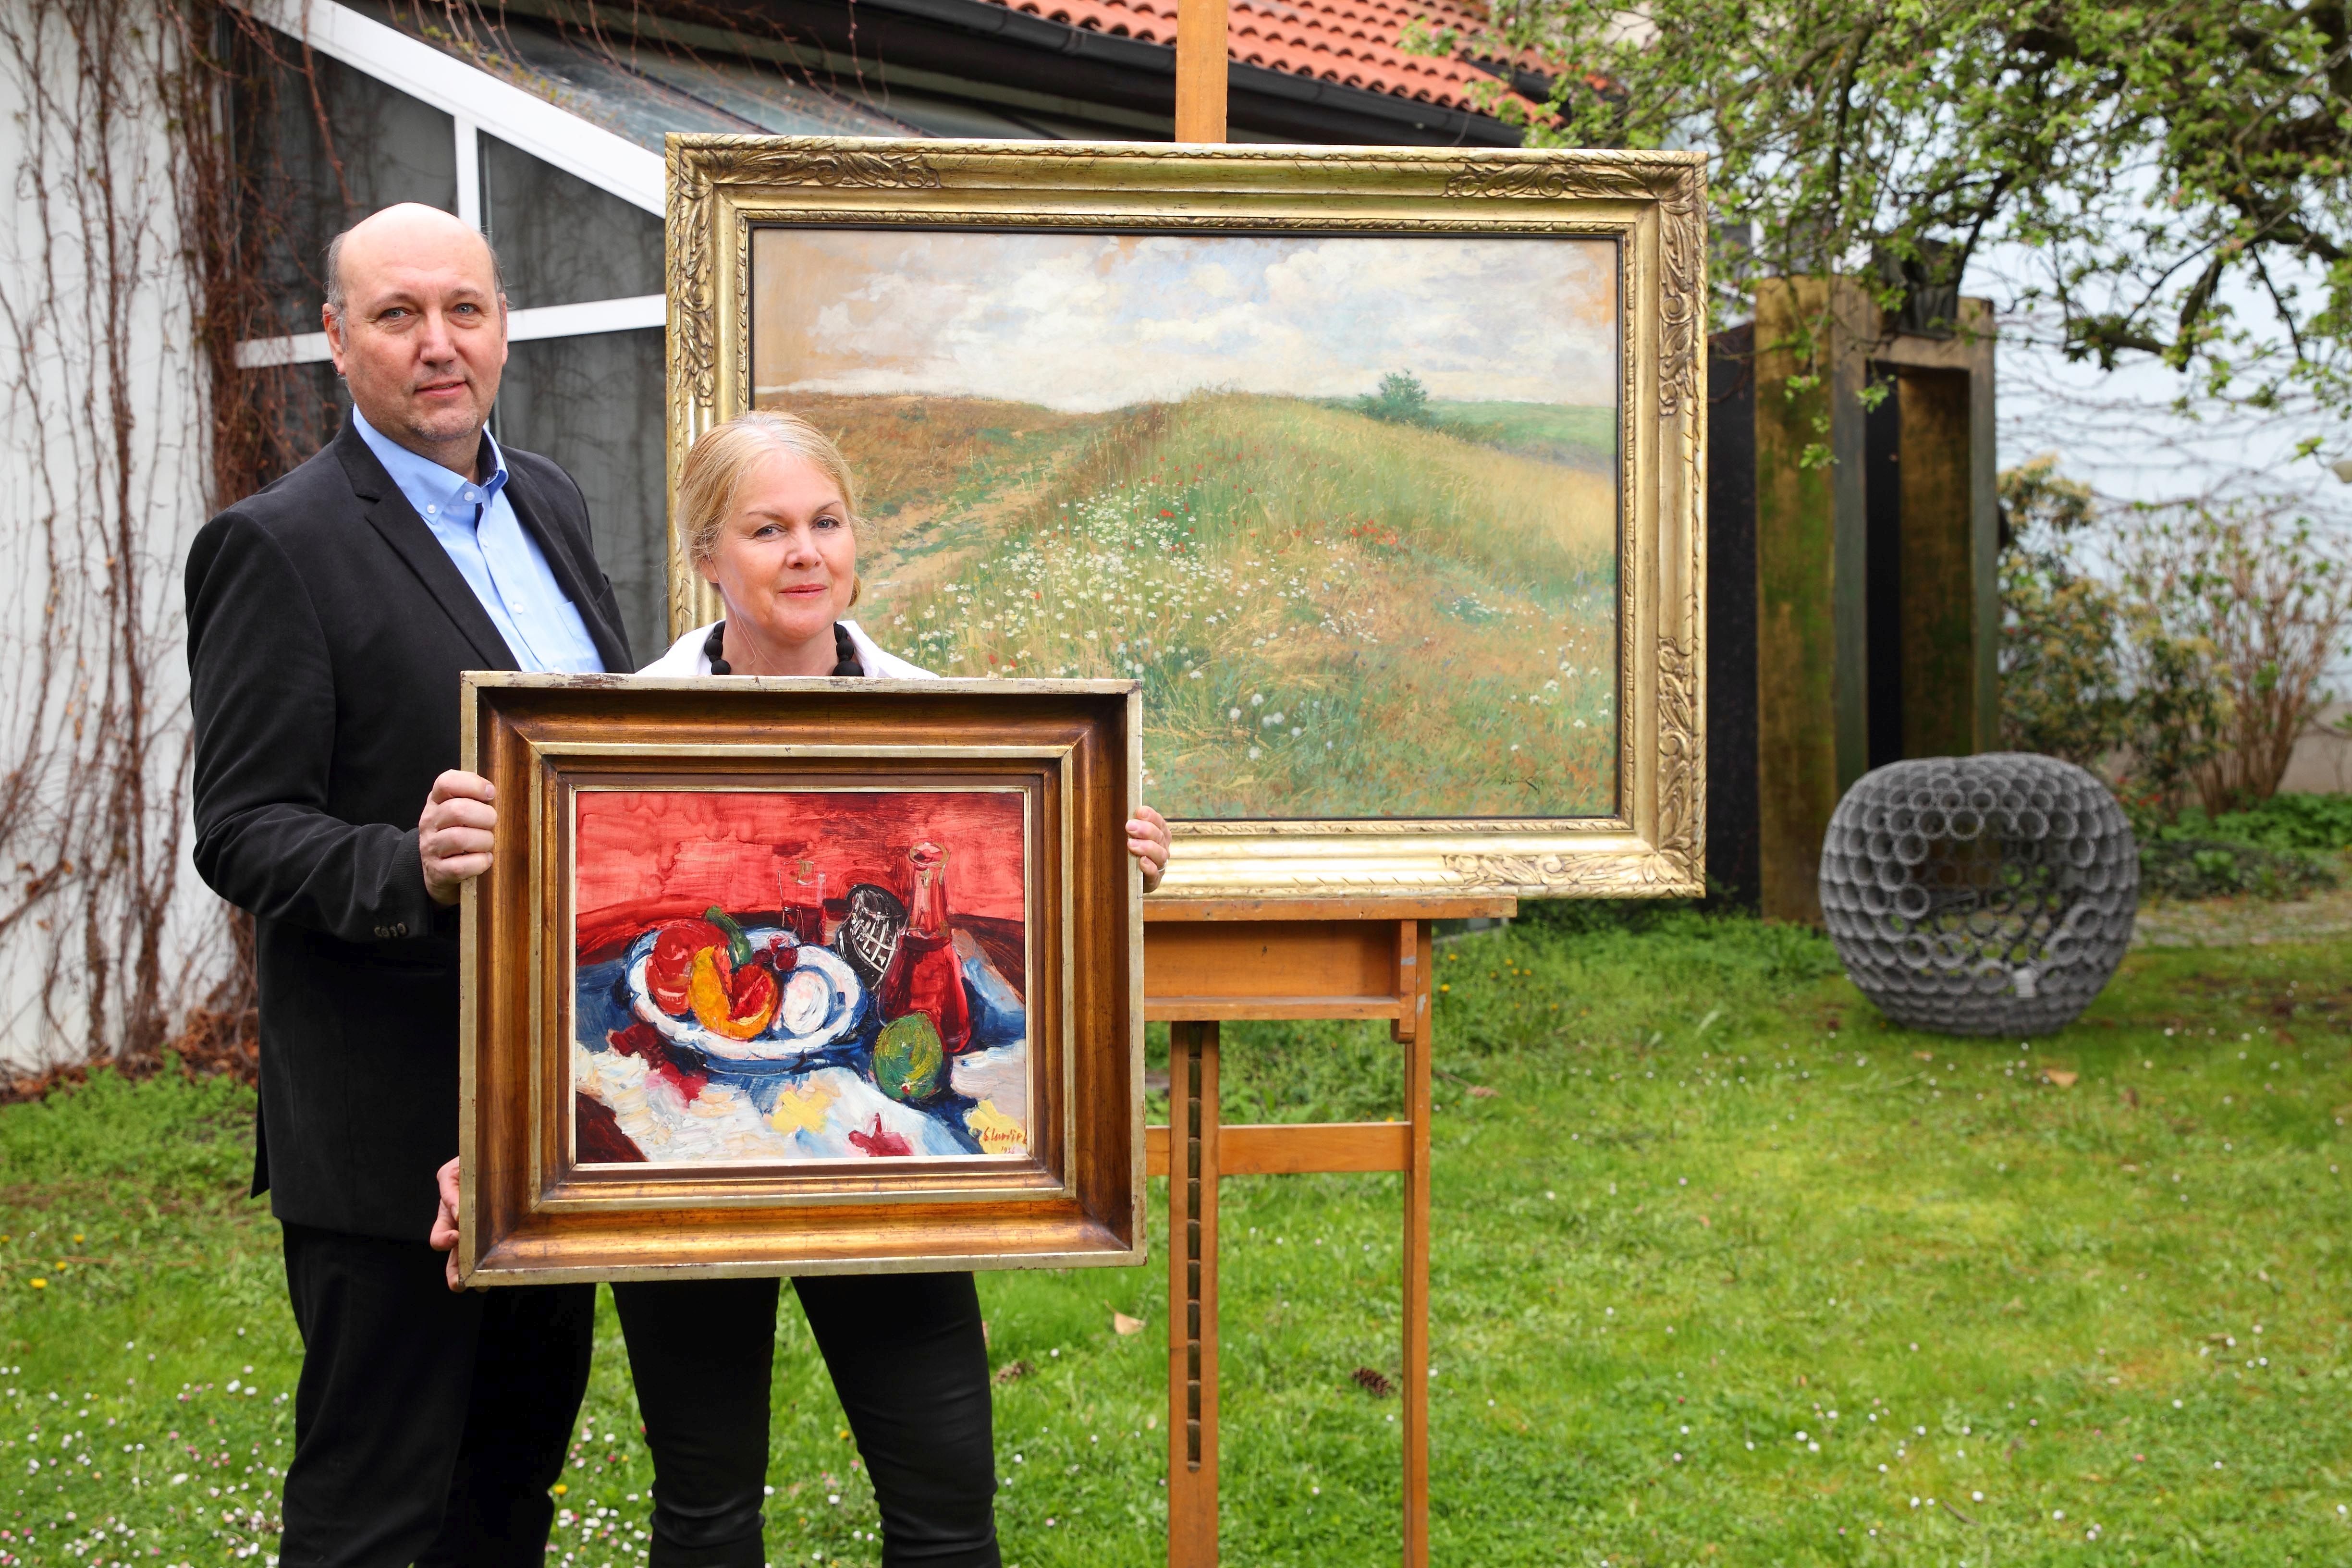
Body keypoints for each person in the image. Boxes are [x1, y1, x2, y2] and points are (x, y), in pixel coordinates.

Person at [430, 410, 1172, 1568]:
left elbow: (1032, 917)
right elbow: (534, 964)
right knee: (706, 1508)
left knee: (946, 1504)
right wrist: (498, 1137)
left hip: (887, 1159)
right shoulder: (607, 732)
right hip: (684, 1165)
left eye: (826, 523)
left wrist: (1107, 862)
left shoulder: (960, 727)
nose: (804, 553)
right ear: (706, 555)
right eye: (767, 529)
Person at [185, 202, 632, 1566]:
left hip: (553, 1110)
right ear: (338, 339)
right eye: (398, 315)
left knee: (510, 1492)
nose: (439, 344)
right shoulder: (278, 544)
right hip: (390, 1124)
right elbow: (242, 828)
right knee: (374, 1516)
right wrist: (408, 864)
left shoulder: (548, 499)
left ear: (502, 328)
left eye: (465, 310)